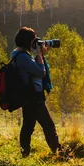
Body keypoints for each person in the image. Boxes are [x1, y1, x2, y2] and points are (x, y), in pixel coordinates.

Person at [12, 26, 62, 158]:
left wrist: (39, 55)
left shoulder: (17, 54)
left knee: (28, 126)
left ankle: (25, 154)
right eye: (34, 40)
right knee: (49, 126)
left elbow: (33, 70)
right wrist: (39, 55)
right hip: (33, 97)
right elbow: (40, 71)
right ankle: (59, 153)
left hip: (28, 97)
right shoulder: (23, 57)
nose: (35, 43)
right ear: (28, 42)